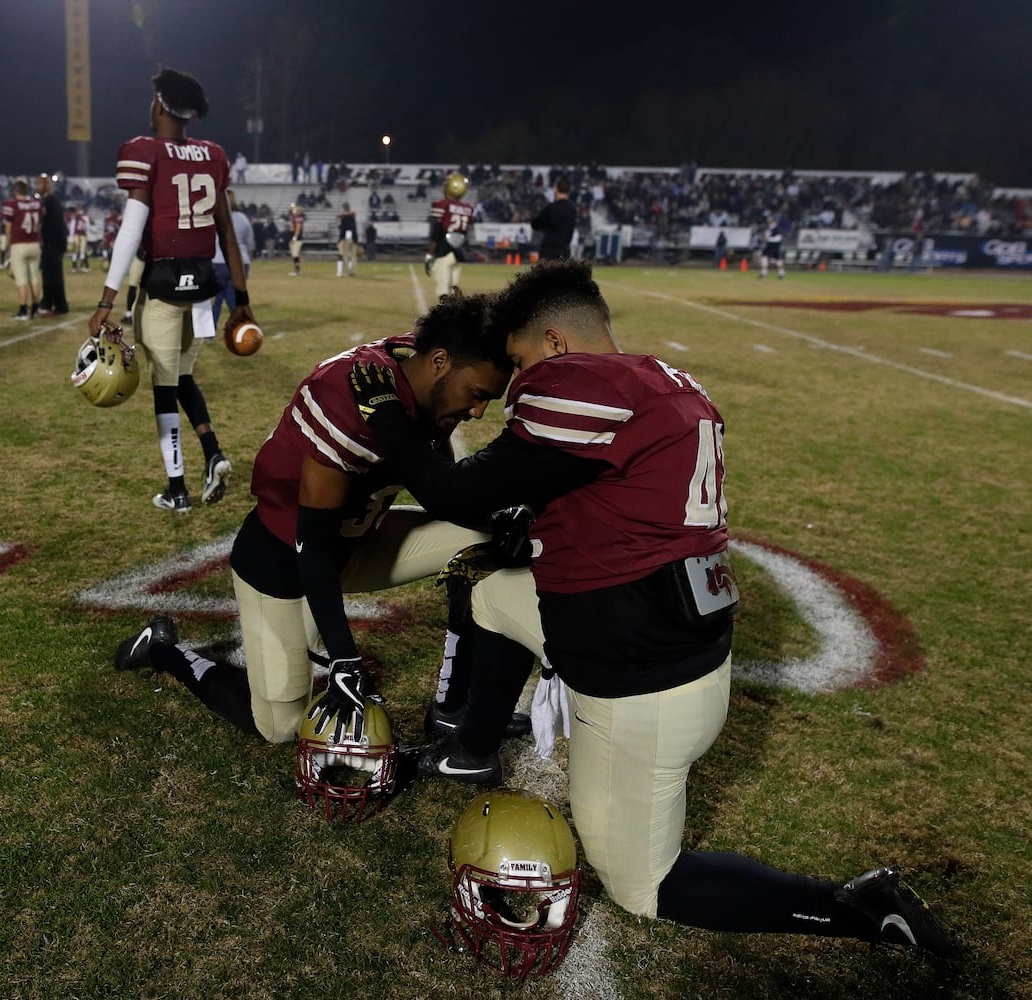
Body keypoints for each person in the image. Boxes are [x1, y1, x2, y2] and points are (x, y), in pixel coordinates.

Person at [345, 259, 965, 961]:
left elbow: (459, 495)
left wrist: (389, 420)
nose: (519, 384)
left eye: (520, 362)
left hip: (637, 682)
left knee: (642, 885)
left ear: (553, 343)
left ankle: (857, 909)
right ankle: (471, 748)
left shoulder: (578, 384)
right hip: (666, 635)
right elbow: (610, 493)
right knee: (487, 584)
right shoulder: (666, 382)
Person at [113, 292, 531, 745]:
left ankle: (456, 704)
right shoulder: (349, 397)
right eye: (477, 395)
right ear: (440, 362)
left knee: (490, 539)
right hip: (286, 561)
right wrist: (345, 657)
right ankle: (162, 649)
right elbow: (311, 544)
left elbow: (438, 487)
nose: (478, 411)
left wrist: (499, 514)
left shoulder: (426, 373)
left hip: (359, 540)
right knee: (279, 727)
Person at [88, 67, 254, 514]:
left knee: (165, 386)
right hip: (202, 290)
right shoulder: (213, 155)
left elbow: (130, 232)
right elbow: (228, 238)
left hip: (162, 288)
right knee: (181, 376)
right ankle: (213, 451)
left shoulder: (146, 152)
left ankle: (177, 488)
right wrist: (243, 302)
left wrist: (107, 300)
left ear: (159, 105)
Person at [0, 178, 44, 321]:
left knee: (21, 279)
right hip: (35, 244)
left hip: (19, 244)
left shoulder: (11, 204)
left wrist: (8, 245)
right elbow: (39, 225)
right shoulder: (36, 203)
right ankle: (36, 308)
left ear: (15, 191)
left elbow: (8, 227)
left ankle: (23, 310)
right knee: (34, 277)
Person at [427, 172, 474, 301]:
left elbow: (436, 230)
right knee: (453, 287)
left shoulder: (441, 205)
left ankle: (445, 310)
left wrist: (430, 253)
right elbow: (466, 230)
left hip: (444, 249)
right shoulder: (468, 208)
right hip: (459, 251)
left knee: (443, 289)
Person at [211, 189, 253, 327]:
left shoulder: (212, 216)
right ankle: (239, 328)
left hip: (217, 261)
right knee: (236, 298)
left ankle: (209, 332)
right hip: (240, 261)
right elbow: (250, 242)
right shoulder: (242, 218)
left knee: (215, 300)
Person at [36, 174, 69, 314]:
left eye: (39, 184)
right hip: (52, 242)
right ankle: (47, 302)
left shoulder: (51, 201)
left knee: (54, 275)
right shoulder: (48, 200)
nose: (36, 187)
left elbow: (53, 224)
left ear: (46, 185)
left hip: (53, 243)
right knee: (47, 274)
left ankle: (60, 305)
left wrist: (44, 236)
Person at [531, 176, 576, 261]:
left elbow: (535, 224)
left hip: (549, 251)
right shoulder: (573, 209)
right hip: (564, 251)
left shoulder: (551, 208)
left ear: (556, 189)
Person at [336, 202, 359, 278]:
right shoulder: (352, 217)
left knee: (342, 254)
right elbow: (353, 229)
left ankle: (341, 272)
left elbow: (343, 230)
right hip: (353, 238)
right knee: (352, 256)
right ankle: (351, 272)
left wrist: (340, 239)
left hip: (346, 237)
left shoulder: (344, 218)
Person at [287, 203, 306, 277]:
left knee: (295, 255)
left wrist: (294, 238)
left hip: (297, 238)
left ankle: (297, 271)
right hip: (297, 238)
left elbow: (298, 229)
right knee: (295, 255)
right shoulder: (296, 217)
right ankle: (298, 270)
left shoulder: (298, 218)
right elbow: (290, 212)